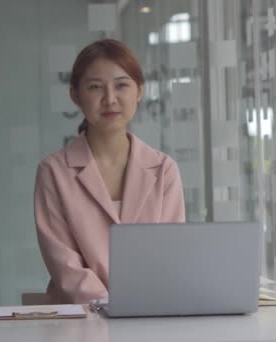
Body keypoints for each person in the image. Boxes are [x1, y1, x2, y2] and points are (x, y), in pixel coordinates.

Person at [34, 39, 186, 304]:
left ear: (139, 91)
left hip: (149, 315)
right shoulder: (54, 172)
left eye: (121, 85)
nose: (110, 99)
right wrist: (112, 308)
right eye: (95, 87)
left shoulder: (164, 169)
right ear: (75, 94)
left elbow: (171, 254)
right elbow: (65, 265)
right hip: (80, 320)